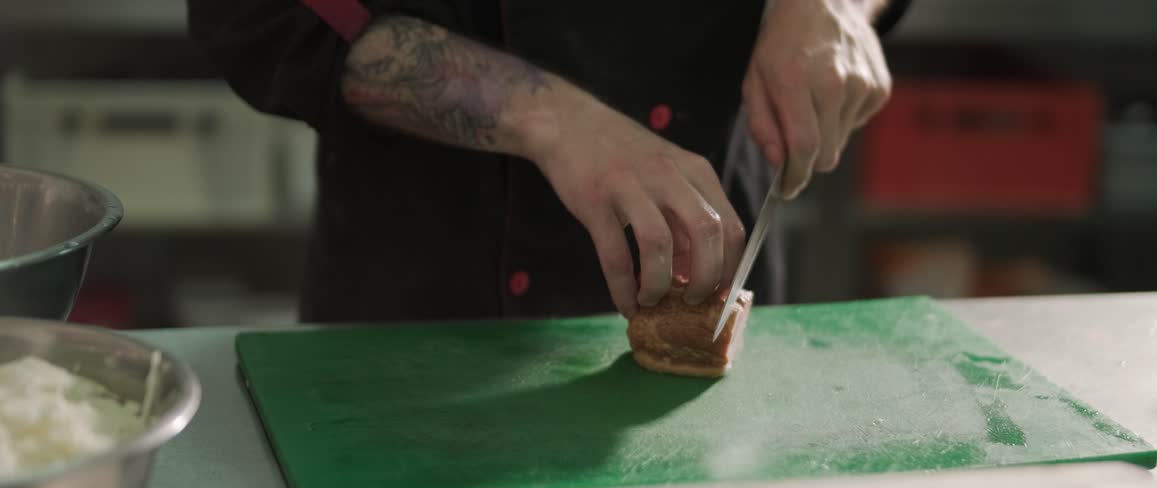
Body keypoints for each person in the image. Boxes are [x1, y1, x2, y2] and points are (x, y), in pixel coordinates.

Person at [187, 0, 909, 323]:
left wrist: (834, 4)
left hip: (715, 228)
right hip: (420, 309)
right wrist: (549, 118)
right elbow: (267, 14)